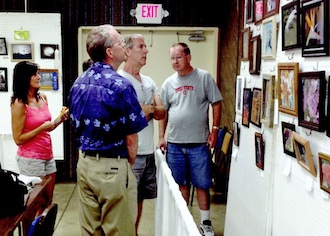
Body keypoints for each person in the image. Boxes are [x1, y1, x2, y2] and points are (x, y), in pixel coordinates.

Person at [67, 24, 148, 236]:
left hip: (85, 165)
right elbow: (132, 136)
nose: (124, 46)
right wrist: (125, 167)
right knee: (119, 230)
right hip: (113, 167)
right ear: (110, 52)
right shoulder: (121, 86)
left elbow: (75, 126)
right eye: (121, 42)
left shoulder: (78, 83)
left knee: (90, 231)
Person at [158, 42, 222, 236]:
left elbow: (216, 103)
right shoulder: (168, 83)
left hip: (198, 143)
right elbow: (163, 112)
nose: (175, 61)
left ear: (188, 57)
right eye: (172, 58)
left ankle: (205, 223)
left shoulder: (204, 78)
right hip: (175, 144)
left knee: (202, 183)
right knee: (180, 184)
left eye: (178, 56)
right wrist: (161, 136)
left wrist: (215, 130)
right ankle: (183, 222)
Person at [118, 33, 166, 233]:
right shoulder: (120, 80)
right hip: (130, 154)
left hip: (148, 152)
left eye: (145, 46)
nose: (146, 50)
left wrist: (146, 110)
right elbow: (131, 117)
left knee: (139, 200)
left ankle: (134, 232)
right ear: (127, 51)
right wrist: (145, 111)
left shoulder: (148, 81)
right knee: (126, 200)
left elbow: (161, 111)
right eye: (141, 46)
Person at [10, 61, 69, 212]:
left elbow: (47, 128)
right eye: (35, 74)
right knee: (32, 203)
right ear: (25, 78)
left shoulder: (42, 97)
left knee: (47, 200)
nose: (39, 77)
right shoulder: (19, 103)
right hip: (30, 160)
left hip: (47, 155)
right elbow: (18, 139)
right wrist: (41, 128)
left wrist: (59, 120)